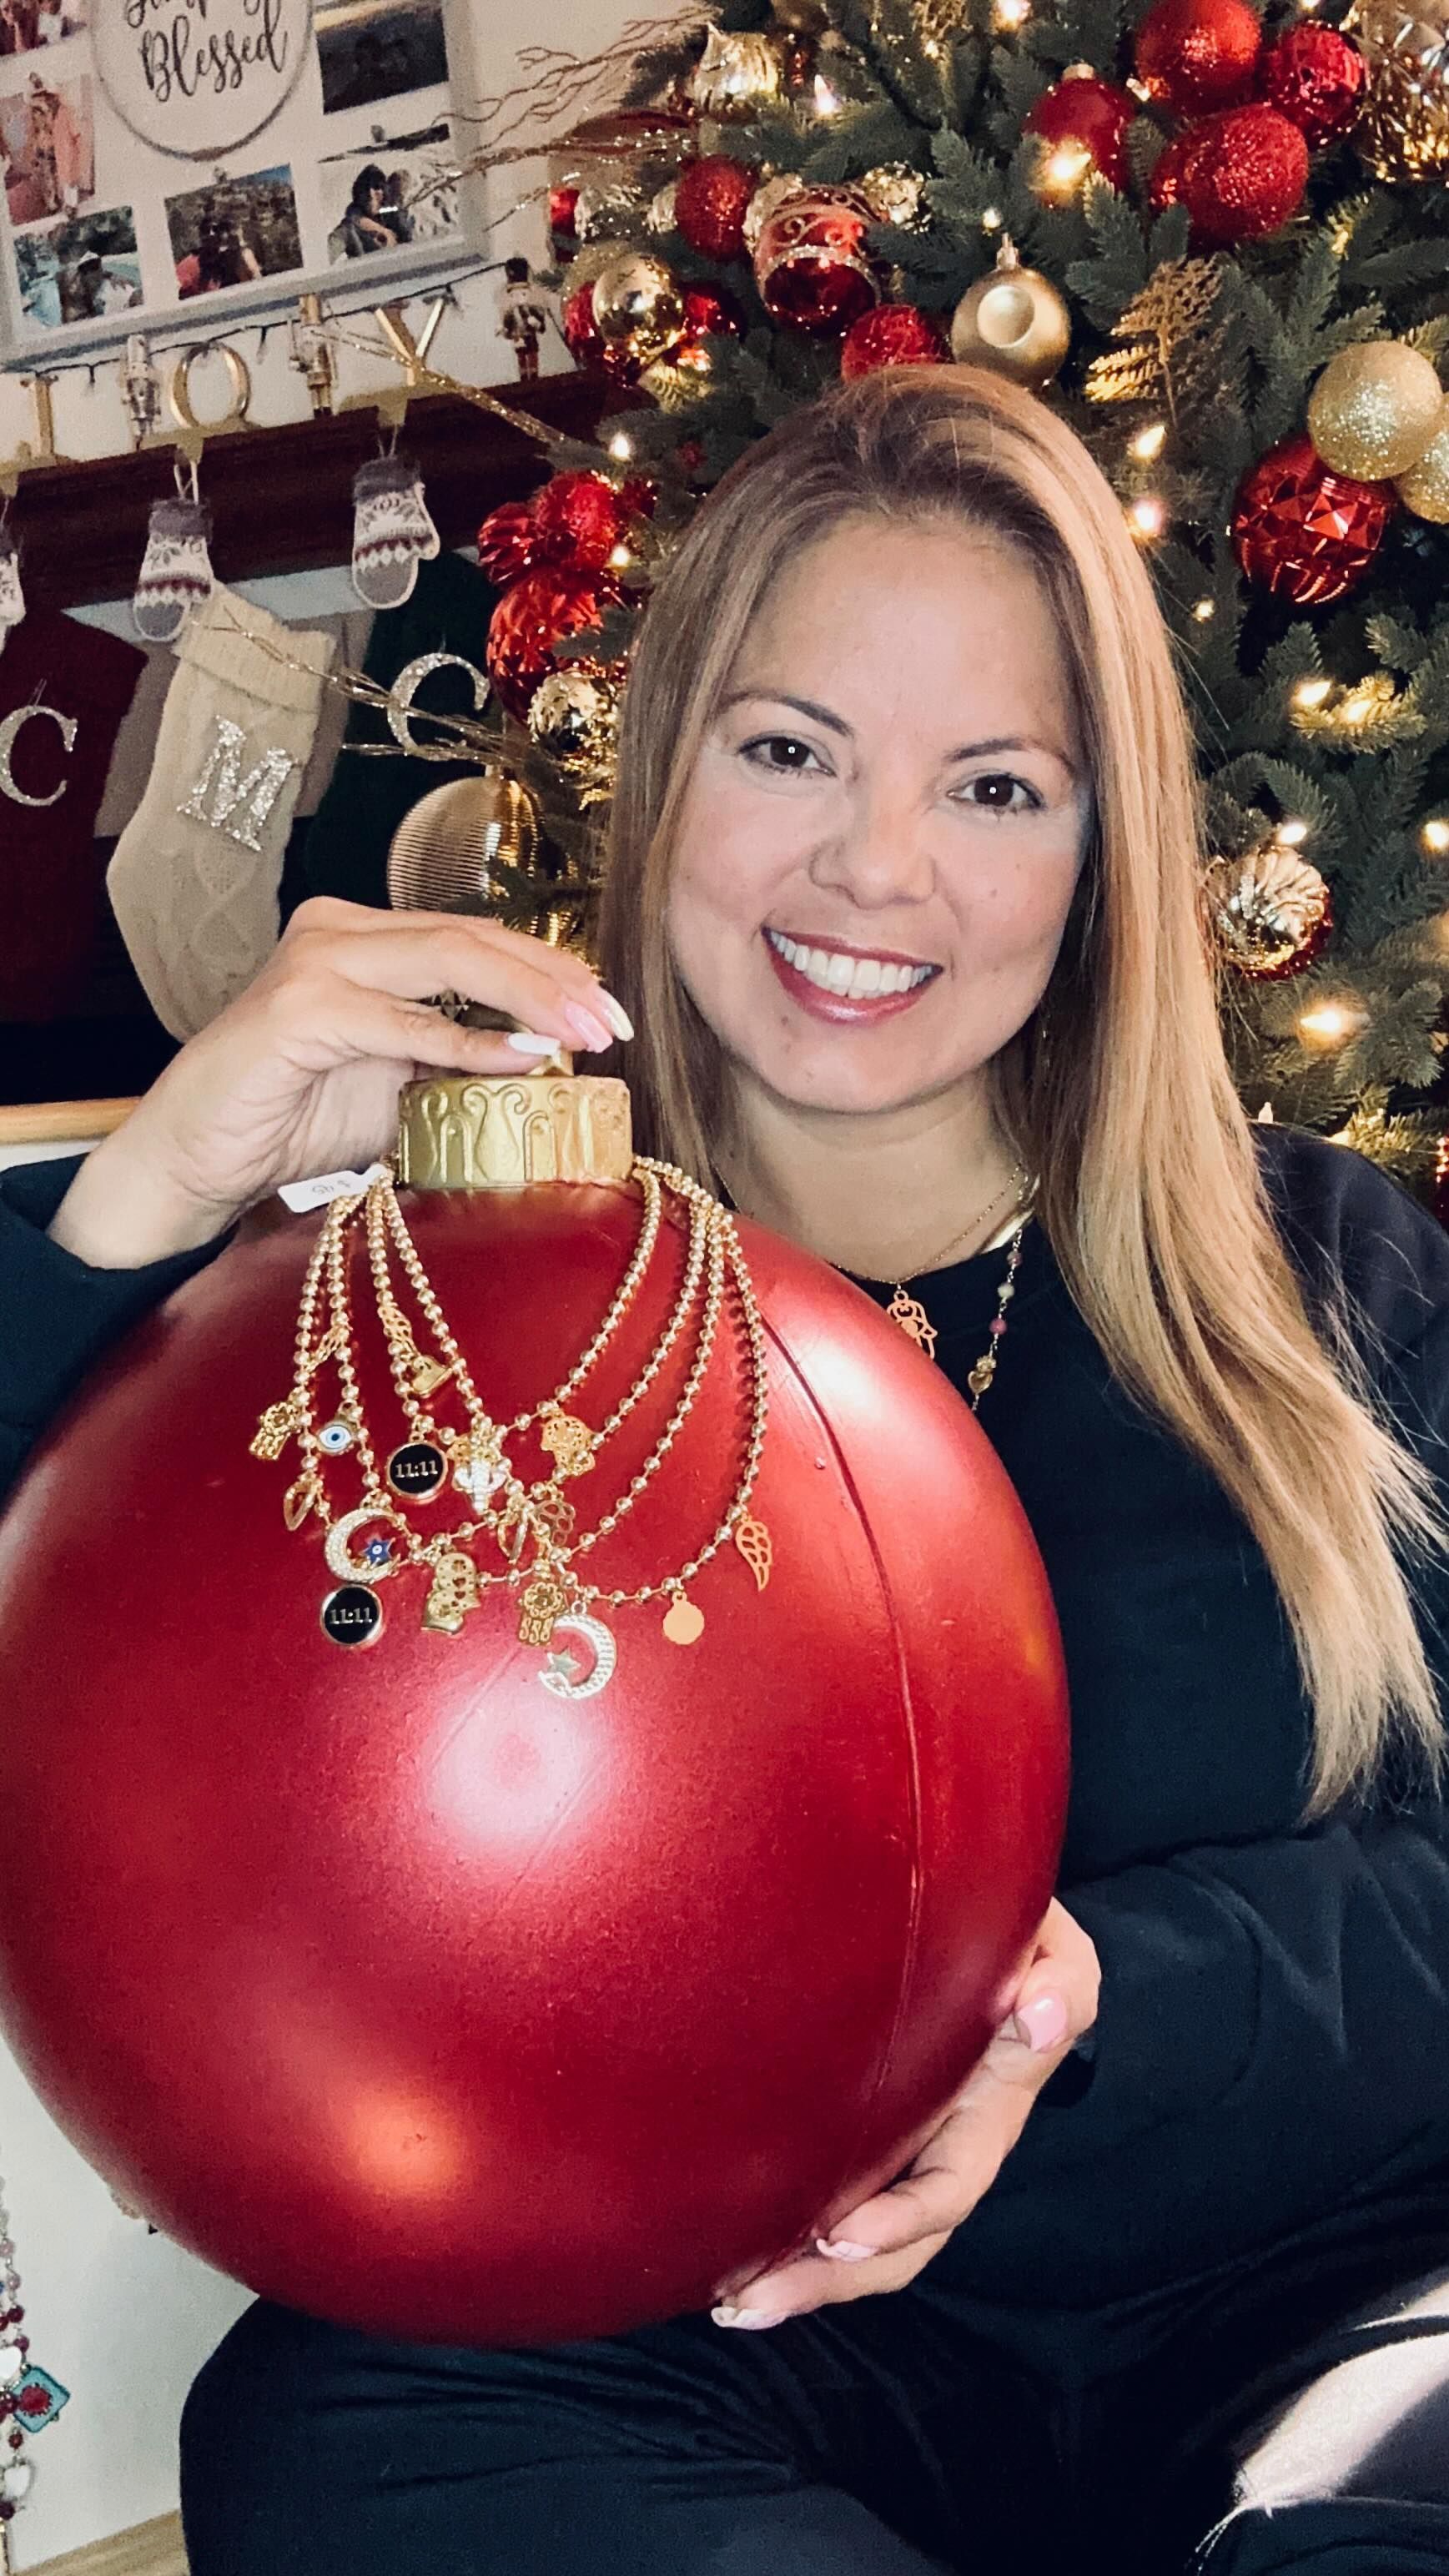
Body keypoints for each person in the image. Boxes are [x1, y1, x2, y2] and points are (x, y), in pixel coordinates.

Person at [3, 367, 1447, 2574]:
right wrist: (147, 1194)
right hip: (718, 2341)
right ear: (662, 769)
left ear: (1099, 851)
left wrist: (1092, 2009)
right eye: (786, 750)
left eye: (993, 786)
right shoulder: (430, 1307)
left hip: (1319, 2301)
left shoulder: (1319, 1278)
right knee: (328, 2431)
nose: (873, 869)